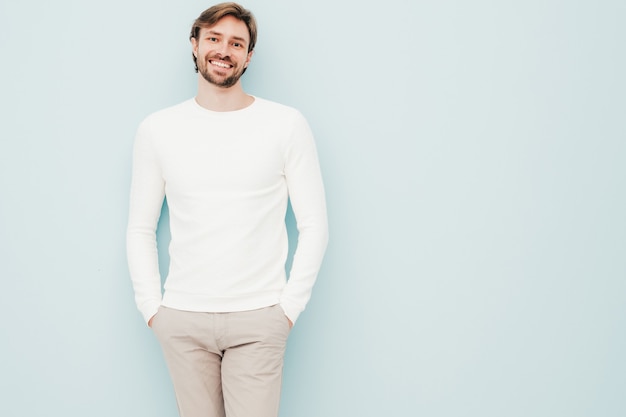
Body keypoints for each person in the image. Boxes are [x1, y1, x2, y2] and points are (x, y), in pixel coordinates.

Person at [126, 3, 329, 417]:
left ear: (249, 56)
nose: (225, 50)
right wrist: (152, 309)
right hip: (183, 319)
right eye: (214, 39)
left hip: (260, 319)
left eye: (237, 43)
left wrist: (287, 310)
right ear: (195, 45)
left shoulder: (285, 124)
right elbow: (140, 228)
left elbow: (315, 225)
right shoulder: (157, 129)